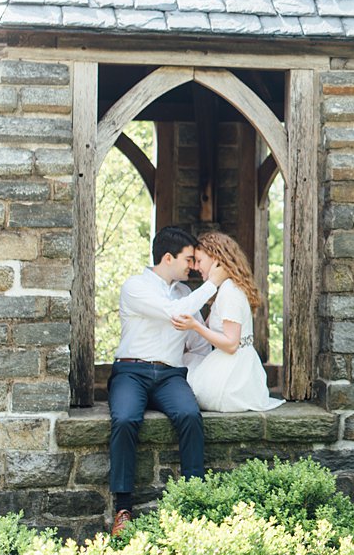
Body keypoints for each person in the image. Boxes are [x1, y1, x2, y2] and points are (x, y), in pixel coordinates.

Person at [108, 225, 224, 536]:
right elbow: (175, 314)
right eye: (188, 259)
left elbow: (199, 345)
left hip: (171, 375)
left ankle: (193, 499)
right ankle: (122, 507)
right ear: (168, 257)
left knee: (189, 415)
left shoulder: (186, 293)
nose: (192, 266)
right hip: (131, 372)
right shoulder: (135, 287)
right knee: (125, 419)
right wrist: (212, 285)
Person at [175, 231, 282, 412]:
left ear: (216, 258)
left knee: (179, 374)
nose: (196, 267)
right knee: (185, 360)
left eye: (200, 261)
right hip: (235, 365)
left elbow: (231, 344)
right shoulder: (224, 288)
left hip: (233, 377)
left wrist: (195, 326)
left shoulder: (230, 292)